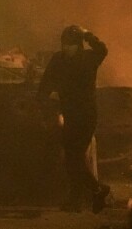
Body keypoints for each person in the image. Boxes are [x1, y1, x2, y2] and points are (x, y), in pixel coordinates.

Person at [37, 25, 110, 213]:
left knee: (75, 156)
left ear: (78, 45)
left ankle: (97, 190)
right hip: (70, 114)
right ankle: (78, 199)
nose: (65, 48)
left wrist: (88, 35)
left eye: (70, 45)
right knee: (71, 158)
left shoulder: (88, 59)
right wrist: (43, 98)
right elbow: (45, 83)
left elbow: (102, 49)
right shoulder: (58, 60)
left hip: (85, 115)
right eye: (64, 44)